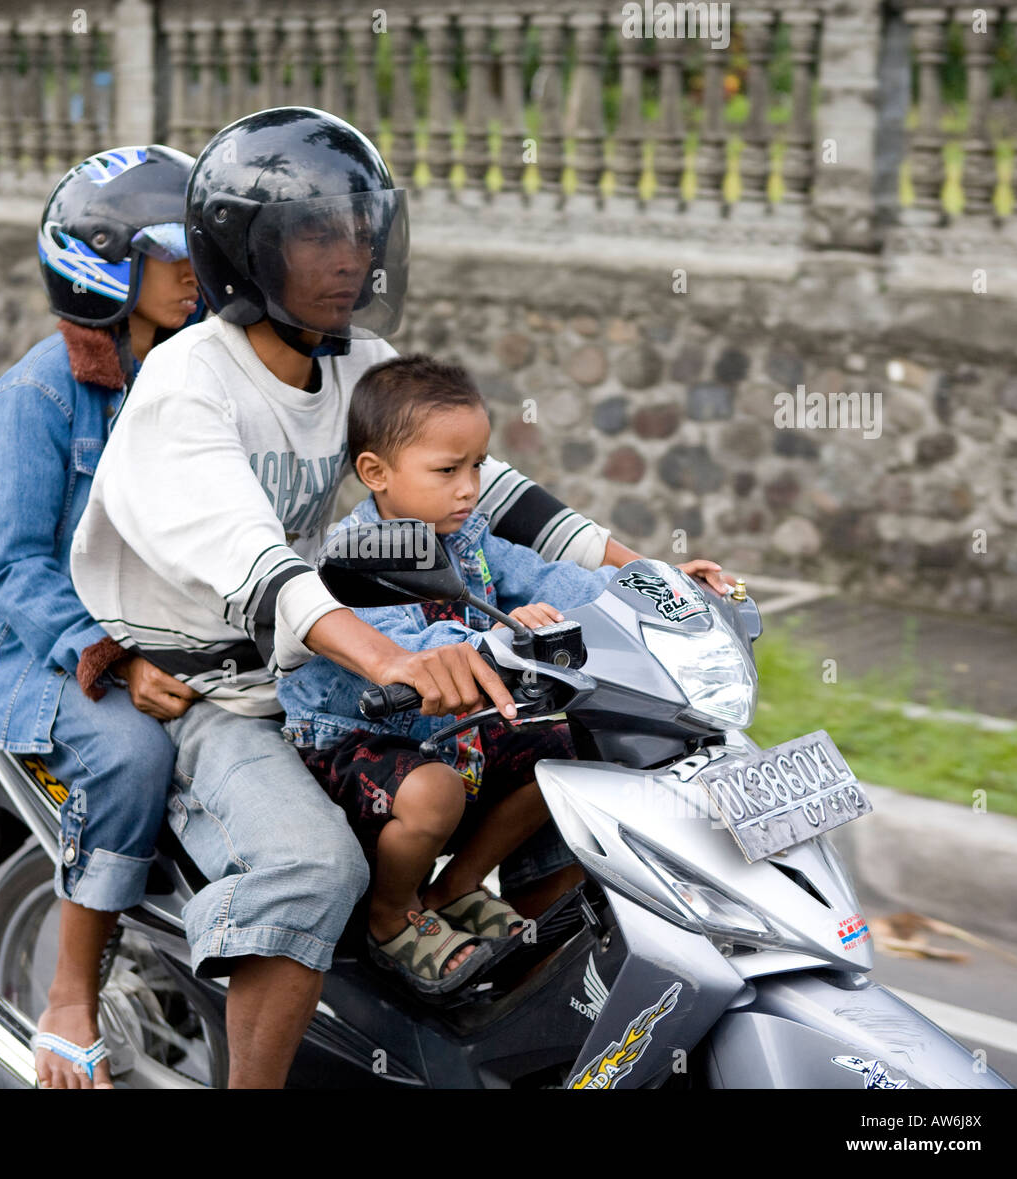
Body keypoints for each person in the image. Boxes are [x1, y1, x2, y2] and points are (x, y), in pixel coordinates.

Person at [70, 107, 734, 1087]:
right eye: (315, 233)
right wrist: (399, 659)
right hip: (211, 688)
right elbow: (261, 569)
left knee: (582, 757)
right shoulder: (187, 388)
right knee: (315, 868)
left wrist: (650, 577)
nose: (349, 255)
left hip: (325, 654)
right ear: (244, 252)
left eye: (358, 229)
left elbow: (493, 495)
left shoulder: (356, 360)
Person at [0, 145, 207, 1090]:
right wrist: (116, 660)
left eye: (199, 249)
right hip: (40, 649)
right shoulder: (39, 394)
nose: (192, 272)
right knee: (135, 754)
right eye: (168, 253)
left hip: (168, 628)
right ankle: (68, 997)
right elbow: (14, 567)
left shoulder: (193, 374)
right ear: (105, 265)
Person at [276, 354, 628, 995]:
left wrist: (644, 589)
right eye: (447, 470)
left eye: (476, 466)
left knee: (561, 751)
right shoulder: (354, 558)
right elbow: (401, 649)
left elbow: (548, 576)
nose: (469, 487)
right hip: (354, 737)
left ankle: (456, 887)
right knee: (433, 792)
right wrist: (493, 638)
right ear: (376, 473)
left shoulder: (467, 537)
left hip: (451, 730)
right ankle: (391, 918)